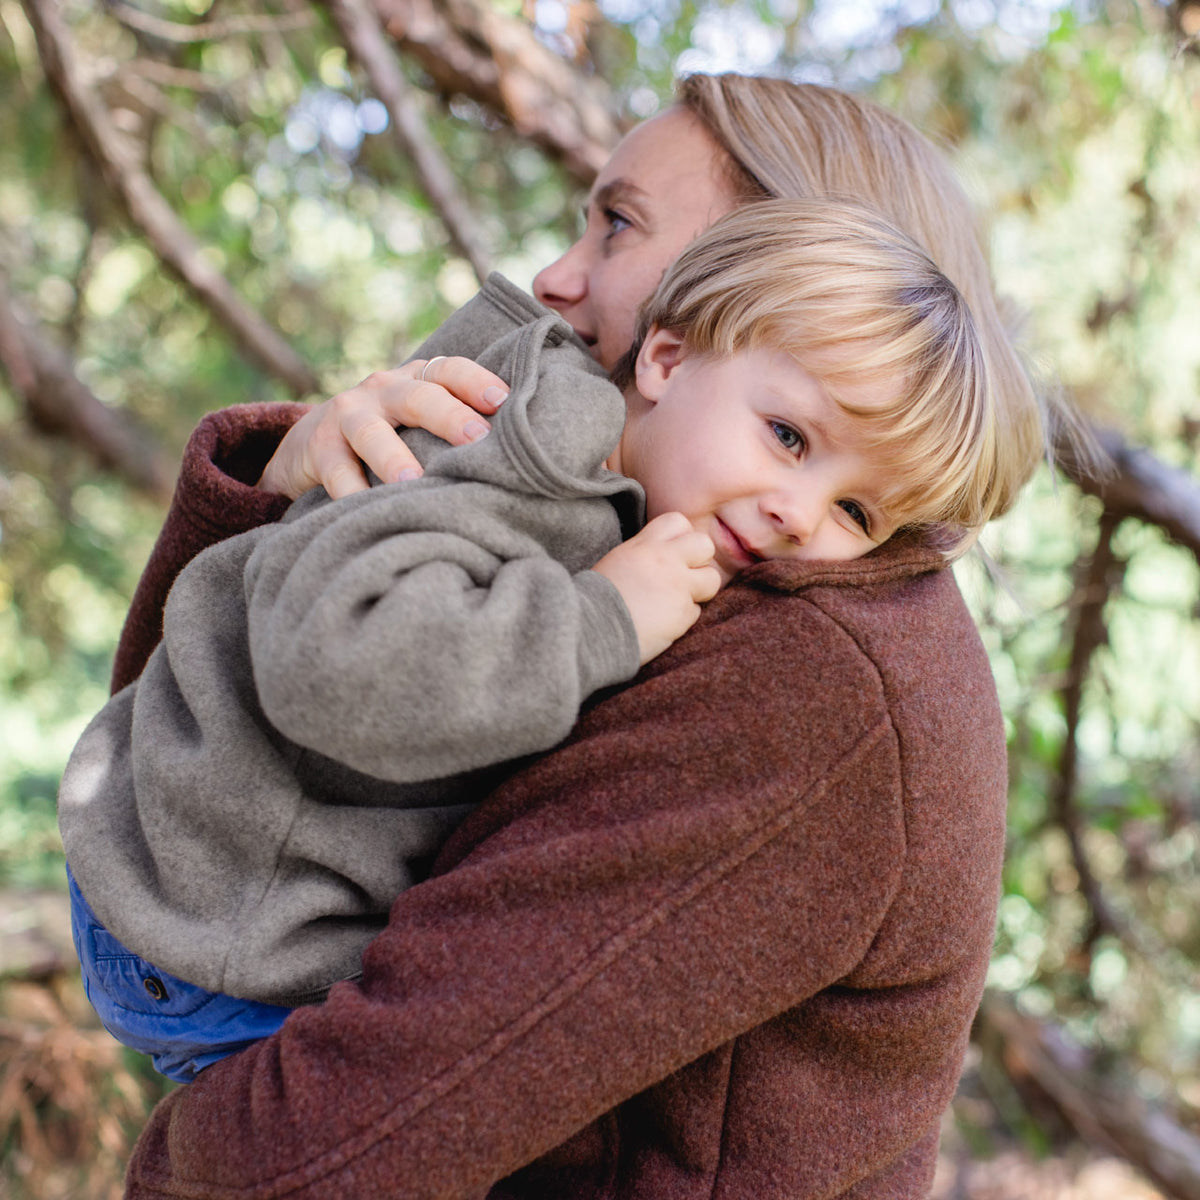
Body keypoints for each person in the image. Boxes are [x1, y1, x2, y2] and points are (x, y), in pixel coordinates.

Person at [112, 74, 1072, 1199]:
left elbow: (353, 1125)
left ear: (780, 267)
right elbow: (164, 774)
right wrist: (287, 492)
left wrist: (176, 1172)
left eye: (617, 224)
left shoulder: (810, 670)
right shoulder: (655, 534)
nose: (557, 280)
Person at [61, 198, 997, 1087]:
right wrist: (601, 620)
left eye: (856, 509)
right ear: (667, 361)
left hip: (204, 888)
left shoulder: (644, 514)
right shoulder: (532, 450)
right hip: (210, 925)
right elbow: (328, 659)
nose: (799, 514)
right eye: (789, 436)